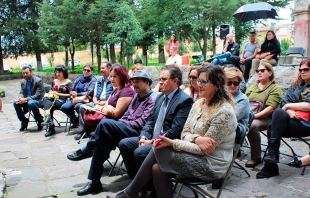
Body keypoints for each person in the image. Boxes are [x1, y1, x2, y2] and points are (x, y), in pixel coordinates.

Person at [108, 65, 237, 198]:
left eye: (204, 81)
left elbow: (203, 150)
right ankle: (134, 192)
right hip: (192, 153)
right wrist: (196, 138)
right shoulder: (199, 103)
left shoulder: (224, 112)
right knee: (156, 168)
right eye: (199, 80)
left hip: (211, 164)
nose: (199, 84)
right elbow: (184, 133)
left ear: (217, 85)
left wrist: (172, 143)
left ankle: (131, 192)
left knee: (157, 149)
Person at [69, 70, 157, 196]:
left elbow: (141, 124)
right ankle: (94, 182)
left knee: (106, 124)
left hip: (138, 133)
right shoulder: (137, 96)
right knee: (101, 142)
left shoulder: (152, 100)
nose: (134, 85)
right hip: (126, 128)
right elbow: (127, 115)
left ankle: (88, 148)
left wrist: (119, 125)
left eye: (137, 82)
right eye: (133, 82)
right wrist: (119, 125)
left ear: (147, 82)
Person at [118, 65, 194, 181]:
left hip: (168, 143)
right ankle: (139, 185)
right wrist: (144, 136)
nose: (160, 83)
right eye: (160, 79)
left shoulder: (184, 101)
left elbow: (176, 130)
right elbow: (151, 121)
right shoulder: (160, 98)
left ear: (175, 81)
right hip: (152, 138)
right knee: (124, 144)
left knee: (139, 153)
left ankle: (150, 187)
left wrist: (152, 141)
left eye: (164, 79)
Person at [257, 59, 310, 178]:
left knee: (273, 126)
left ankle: (271, 165)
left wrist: (288, 106)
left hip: (307, 124)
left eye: (306, 69)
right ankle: (272, 157)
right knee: (275, 121)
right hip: (294, 120)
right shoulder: (296, 86)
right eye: (300, 70)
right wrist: (290, 111)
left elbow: (308, 106)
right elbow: (284, 102)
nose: (302, 72)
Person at [74, 64, 135, 140]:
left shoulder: (126, 91)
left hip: (117, 121)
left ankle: (89, 146)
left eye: (115, 76)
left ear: (122, 76)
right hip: (106, 113)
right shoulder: (115, 90)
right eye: (111, 76)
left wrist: (100, 108)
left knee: (97, 126)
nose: (112, 79)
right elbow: (106, 104)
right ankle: (89, 143)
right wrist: (105, 107)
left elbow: (116, 114)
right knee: (85, 111)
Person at [245, 62, 283, 168]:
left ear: (270, 73)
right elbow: (244, 101)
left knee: (252, 125)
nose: (259, 73)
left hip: (267, 118)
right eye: (258, 71)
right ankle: (234, 151)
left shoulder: (275, 88)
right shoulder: (253, 86)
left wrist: (253, 116)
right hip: (250, 114)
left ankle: (255, 157)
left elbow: (270, 109)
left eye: (262, 70)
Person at [73, 61, 114, 140]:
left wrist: (104, 103)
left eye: (103, 68)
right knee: (82, 107)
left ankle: (94, 129)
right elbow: (94, 95)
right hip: (97, 102)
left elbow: (114, 96)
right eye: (100, 68)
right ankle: (83, 130)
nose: (101, 70)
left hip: (107, 103)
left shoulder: (112, 80)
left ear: (109, 68)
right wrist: (95, 102)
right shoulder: (99, 80)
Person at [60, 63, 96, 128]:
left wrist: (77, 94)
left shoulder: (93, 80)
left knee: (77, 107)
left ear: (91, 72)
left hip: (85, 100)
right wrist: (72, 93)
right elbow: (72, 89)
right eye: (84, 70)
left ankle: (84, 125)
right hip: (75, 99)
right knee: (64, 107)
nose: (86, 72)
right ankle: (75, 120)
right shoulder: (79, 79)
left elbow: (89, 92)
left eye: (88, 70)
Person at [41, 65, 73, 137]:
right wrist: (51, 92)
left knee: (49, 106)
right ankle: (49, 119)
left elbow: (70, 94)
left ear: (64, 72)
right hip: (52, 98)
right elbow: (51, 90)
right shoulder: (54, 81)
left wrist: (58, 93)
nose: (57, 74)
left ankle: (50, 126)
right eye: (56, 72)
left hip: (62, 100)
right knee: (45, 99)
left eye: (59, 72)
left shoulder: (68, 82)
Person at [13, 65, 45, 131]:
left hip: (39, 100)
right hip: (27, 100)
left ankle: (40, 120)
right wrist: (20, 98)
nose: (25, 74)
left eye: (26, 73)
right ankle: (24, 120)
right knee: (15, 103)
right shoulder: (23, 81)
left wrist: (26, 99)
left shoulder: (38, 81)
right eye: (23, 73)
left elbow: (37, 96)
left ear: (31, 72)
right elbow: (21, 92)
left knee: (31, 103)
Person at [224, 67, 250, 138]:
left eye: (236, 83)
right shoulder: (221, 96)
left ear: (239, 84)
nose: (232, 86)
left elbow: (229, 119)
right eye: (229, 83)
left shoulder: (243, 100)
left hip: (234, 134)